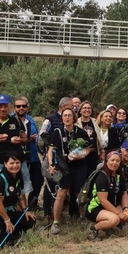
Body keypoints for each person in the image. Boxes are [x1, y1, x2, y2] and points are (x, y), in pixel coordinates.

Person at [46, 107, 91, 234]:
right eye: (65, 115)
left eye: (69, 115)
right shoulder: (57, 132)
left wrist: (82, 155)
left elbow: (88, 149)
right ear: (62, 118)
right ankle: (55, 223)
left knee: (80, 193)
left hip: (79, 166)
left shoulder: (81, 132)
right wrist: (51, 164)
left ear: (74, 118)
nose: (67, 118)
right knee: (61, 193)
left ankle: (82, 218)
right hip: (63, 167)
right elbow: (51, 150)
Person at [37, 96, 73, 225]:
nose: (74, 108)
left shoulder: (72, 119)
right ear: (64, 107)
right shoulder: (50, 119)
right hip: (53, 160)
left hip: (67, 162)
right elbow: (41, 139)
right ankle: (47, 213)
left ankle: (59, 213)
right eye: (71, 106)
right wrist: (45, 155)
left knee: (63, 188)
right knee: (50, 187)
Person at [85, 151, 128, 239]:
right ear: (107, 161)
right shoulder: (102, 176)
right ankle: (93, 229)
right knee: (115, 219)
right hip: (96, 208)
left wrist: (125, 207)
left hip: (112, 205)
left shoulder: (119, 175)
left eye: (117, 161)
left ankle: (110, 228)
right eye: (112, 160)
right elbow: (103, 201)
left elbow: (124, 193)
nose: (115, 163)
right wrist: (118, 213)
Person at [14, 96, 40, 210]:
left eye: (23, 106)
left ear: (27, 108)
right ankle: (21, 208)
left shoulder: (31, 119)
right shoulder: (11, 120)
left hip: (33, 155)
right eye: (18, 106)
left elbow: (38, 133)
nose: (21, 108)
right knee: (20, 183)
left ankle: (32, 204)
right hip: (17, 157)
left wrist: (35, 137)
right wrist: (26, 138)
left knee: (38, 180)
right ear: (14, 108)